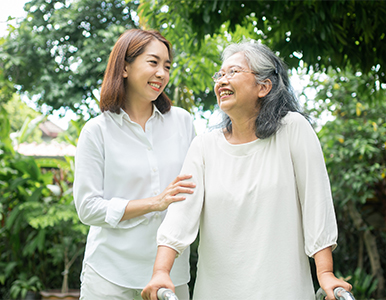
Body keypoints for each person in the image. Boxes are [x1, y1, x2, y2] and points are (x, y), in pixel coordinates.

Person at [142, 42, 352, 300]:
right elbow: (180, 215)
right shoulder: (204, 146)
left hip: (283, 290)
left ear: (263, 87)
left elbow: (316, 204)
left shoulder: (292, 130)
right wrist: (161, 270)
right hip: (217, 291)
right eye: (220, 75)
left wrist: (326, 273)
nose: (221, 81)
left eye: (233, 72)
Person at [73, 29, 196, 300]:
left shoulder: (183, 122)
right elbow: (87, 208)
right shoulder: (97, 131)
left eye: (167, 66)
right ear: (125, 67)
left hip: (171, 276)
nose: (162, 73)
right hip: (109, 275)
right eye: (153, 63)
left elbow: (197, 190)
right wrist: (155, 202)